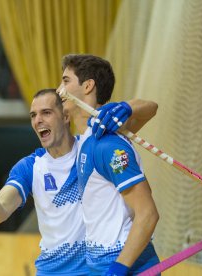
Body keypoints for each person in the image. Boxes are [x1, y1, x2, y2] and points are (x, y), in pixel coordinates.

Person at [0, 88, 157, 275]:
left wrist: (126, 107)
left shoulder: (92, 149)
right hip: (51, 271)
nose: (38, 120)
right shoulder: (30, 167)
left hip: (94, 269)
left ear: (65, 116)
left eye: (46, 113)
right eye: (33, 115)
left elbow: (150, 109)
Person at [58, 53, 159, 275]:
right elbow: (151, 108)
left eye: (65, 81)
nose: (59, 89)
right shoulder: (88, 139)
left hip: (125, 263)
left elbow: (148, 214)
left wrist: (118, 269)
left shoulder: (107, 145)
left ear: (88, 86)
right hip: (100, 263)